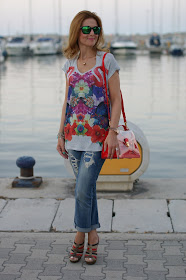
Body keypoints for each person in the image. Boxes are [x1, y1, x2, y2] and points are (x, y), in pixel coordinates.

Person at [56, 10, 121, 265]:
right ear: (77, 32)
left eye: (95, 29)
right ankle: (93, 235)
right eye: (86, 29)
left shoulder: (107, 61)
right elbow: (67, 102)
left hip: (98, 138)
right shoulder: (69, 64)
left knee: (82, 189)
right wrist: (60, 134)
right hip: (73, 138)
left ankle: (80, 237)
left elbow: (116, 100)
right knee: (87, 189)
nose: (92, 33)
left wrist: (112, 133)